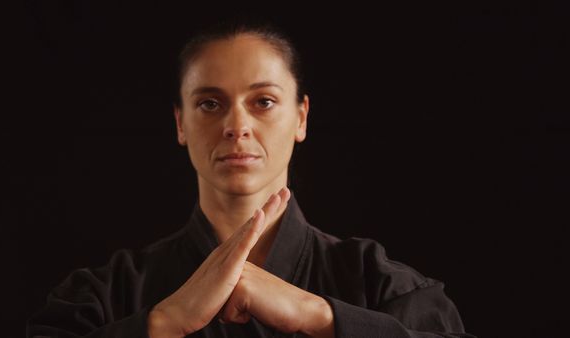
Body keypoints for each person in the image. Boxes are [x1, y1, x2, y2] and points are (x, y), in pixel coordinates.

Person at [27, 19, 475, 338]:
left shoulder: (382, 286)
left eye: (262, 101)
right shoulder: (104, 295)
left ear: (301, 117)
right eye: (209, 103)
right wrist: (163, 324)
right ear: (180, 124)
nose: (235, 125)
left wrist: (318, 315)